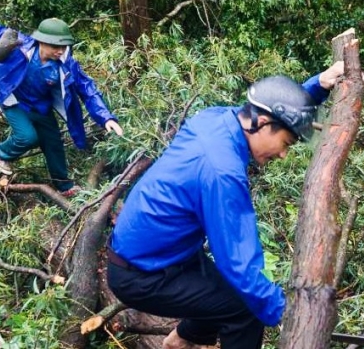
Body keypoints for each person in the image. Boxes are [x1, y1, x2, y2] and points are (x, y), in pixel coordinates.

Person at [107, 62, 344, 349]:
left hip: (167, 253)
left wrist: (317, 85)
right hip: (143, 274)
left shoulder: (218, 118)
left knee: (228, 293)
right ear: (264, 125)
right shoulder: (221, 172)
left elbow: (271, 106)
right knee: (245, 309)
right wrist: (289, 312)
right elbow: (239, 264)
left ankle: (182, 340)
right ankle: (188, 338)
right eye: (286, 143)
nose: (283, 154)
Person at [0, 18, 123, 197]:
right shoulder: (20, 46)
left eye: (63, 46)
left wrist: (106, 117)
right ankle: (0, 153)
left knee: (53, 143)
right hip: (14, 99)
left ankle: (63, 186)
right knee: (27, 137)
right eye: (55, 46)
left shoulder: (66, 63)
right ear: (41, 41)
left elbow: (87, 89)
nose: (60, 51)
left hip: (41, 106)